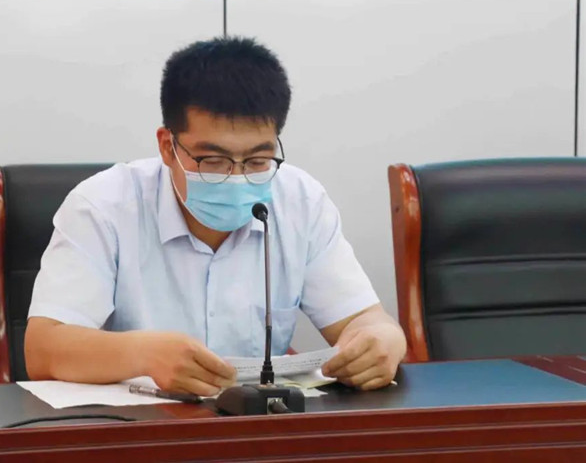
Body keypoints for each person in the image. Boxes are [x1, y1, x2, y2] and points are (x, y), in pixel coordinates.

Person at [24, 37, 406, 396]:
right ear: (167, 146)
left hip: (259, 428)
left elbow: (365, 322)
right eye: (213, 160)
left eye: (257, 160)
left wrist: (382, 341)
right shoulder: (103, 206)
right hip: (136, 429)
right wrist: (145, 354)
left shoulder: (300, 201)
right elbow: (43, 349)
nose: (236, 178)